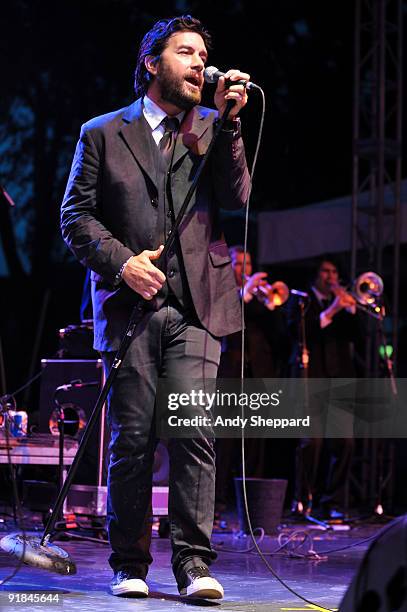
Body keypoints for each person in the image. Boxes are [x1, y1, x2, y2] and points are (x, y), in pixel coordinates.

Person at [60, 15, 251, 599]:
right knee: (134, 437)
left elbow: (238, 199)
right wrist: (123, 262)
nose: (199, 64)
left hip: (198, 306)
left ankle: (194, 564)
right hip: (130, 307)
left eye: (203, 55)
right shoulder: (101, 133)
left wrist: (230, 125)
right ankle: (129, 563)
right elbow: (75, 218)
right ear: (152, 62)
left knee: (194, 433)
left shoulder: (212, 128)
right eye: (186, 53)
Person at [215, 246, 289, 515]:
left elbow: (280, 338)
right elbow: (225, 323)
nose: (244, 271)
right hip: (231, 371)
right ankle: (218, 502)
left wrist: (272, 307)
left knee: (255, 440)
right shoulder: (223, 291)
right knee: (225, 440)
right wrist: (243, 296)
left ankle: (252, 505)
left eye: (248, 265)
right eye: (239, 264)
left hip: (259, 372)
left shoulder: (260, 300)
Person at [288, 257, 363, 519]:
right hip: (311, 379)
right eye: (325, 271)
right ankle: (303, 500)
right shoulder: (302, 299)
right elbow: (298, 332)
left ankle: (332, 502)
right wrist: (332, 309)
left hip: (340, 381)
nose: (331, 276)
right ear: (315, 274)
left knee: (346, 442)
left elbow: (359, 337)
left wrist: (351, 310)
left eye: (334, 271)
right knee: (312, 442)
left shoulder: (343, 303)